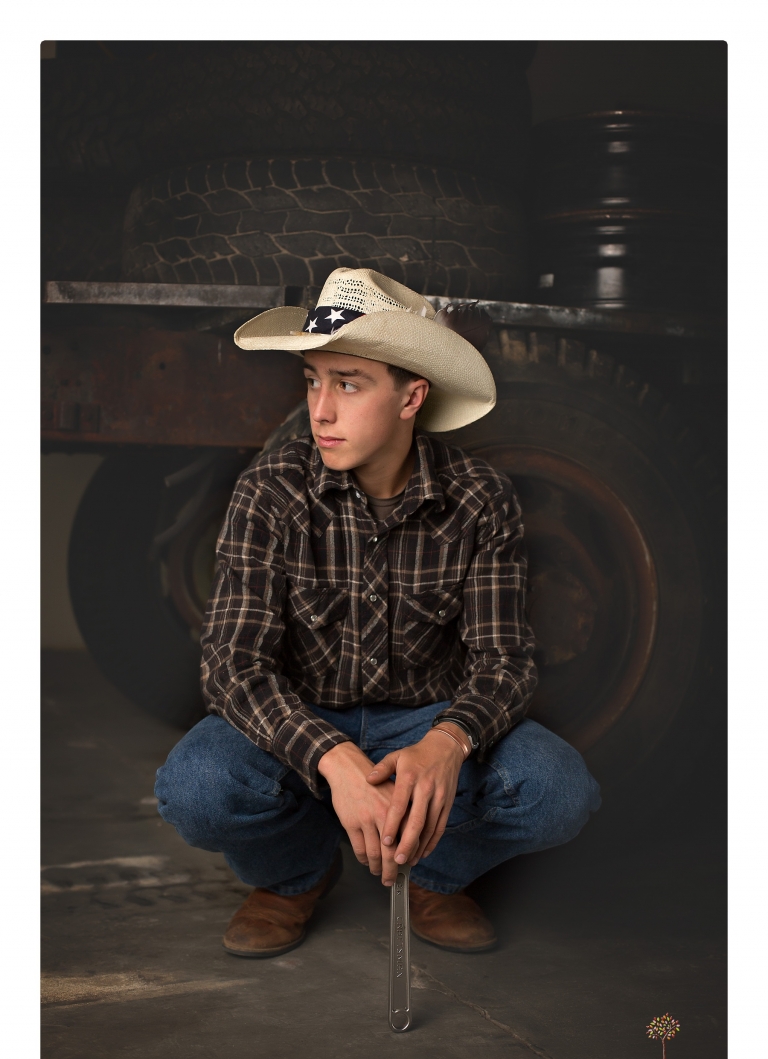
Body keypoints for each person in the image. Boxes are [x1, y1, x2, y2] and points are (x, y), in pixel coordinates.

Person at [155, 267, 601, 958]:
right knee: (196, 788)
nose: (320, 410)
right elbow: (232, 666)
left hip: (427, 714)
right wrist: (330, 758)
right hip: (306, 716)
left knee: (559, 792)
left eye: (348, 383)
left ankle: (434, 875)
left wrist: (447, 743)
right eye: (312, 380)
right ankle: (294, 876)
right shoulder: (269, 491)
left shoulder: (480, 497)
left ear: (410, 396)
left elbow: (504, 661)